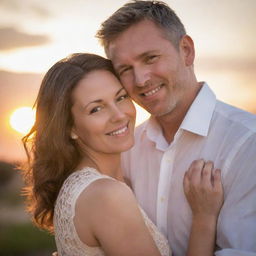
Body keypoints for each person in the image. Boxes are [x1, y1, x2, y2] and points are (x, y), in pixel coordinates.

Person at [22, 53, 223, 256]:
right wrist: (204, 219)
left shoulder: (87, 185)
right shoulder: (106, 195)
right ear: (69, 128)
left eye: (120, 97)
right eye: (96, 109)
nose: (119, 115)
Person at [96, 1, 256, 256]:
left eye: (150, 58)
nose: (140, 80)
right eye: (125, 69)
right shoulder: (127, 149)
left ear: (186, 50)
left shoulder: (248, 144)